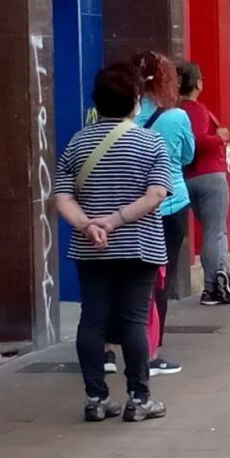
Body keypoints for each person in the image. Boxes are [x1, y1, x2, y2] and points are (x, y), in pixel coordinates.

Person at [53, 63, 171, 423]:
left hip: (91, 248)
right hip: (140, 245)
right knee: (135, 320)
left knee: (92, 320)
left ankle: (96, 398)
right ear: (135, 101)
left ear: (97, 101)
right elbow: (156, 194)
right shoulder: (151, 142)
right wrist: (116, 220)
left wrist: (88, 226)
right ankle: (139, 398)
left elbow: (62, 197)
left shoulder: (77, 142)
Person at [133, 51, 194, 376]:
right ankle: (152, 351)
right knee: (161, 278)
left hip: (132, 207)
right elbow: (187, 156)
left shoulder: (125, 118)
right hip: (170, 204)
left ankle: (113, 349)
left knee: (127, 278)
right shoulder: (177, 117)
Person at [178, 62, 230, 307]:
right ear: (199, 84)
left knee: (214, 230)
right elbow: (198, 142)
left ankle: (221, 272)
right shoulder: (196, 110)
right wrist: (219, 138)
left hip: (188, 177)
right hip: (210, 176)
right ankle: (212, 286)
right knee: (215, 231)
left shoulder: (174, 112)